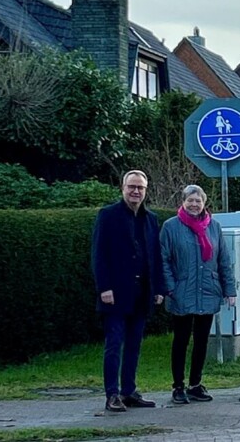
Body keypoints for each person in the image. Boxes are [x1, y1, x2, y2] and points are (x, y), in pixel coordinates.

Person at [91, 170, 165, 412]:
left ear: (146, 191)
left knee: (134, 345)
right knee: (114, 344)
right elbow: (99, 255)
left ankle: (129, 391)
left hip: (142, 292)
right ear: (122, 188)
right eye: (131, 187)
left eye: (140, 188)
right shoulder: (108, 215)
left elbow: (155, 256)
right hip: (115, 292)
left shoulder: (150, 219)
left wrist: (158, 288)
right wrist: (104, 288)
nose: (136, 191)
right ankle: (112, 394)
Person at [160, 185, 236, 404]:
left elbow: (223, 261)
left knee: (202, 340)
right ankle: (178, 386)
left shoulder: (214, 227)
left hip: (208, 291)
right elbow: (163, 260)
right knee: (181, 340)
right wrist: (170, 287)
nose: (194, 204)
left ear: (204, 203)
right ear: (183, 202)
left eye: (198, 201)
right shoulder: (170, 227)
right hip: (182, 292)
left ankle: (195, 384)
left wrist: (229, 289)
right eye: (190, 200)